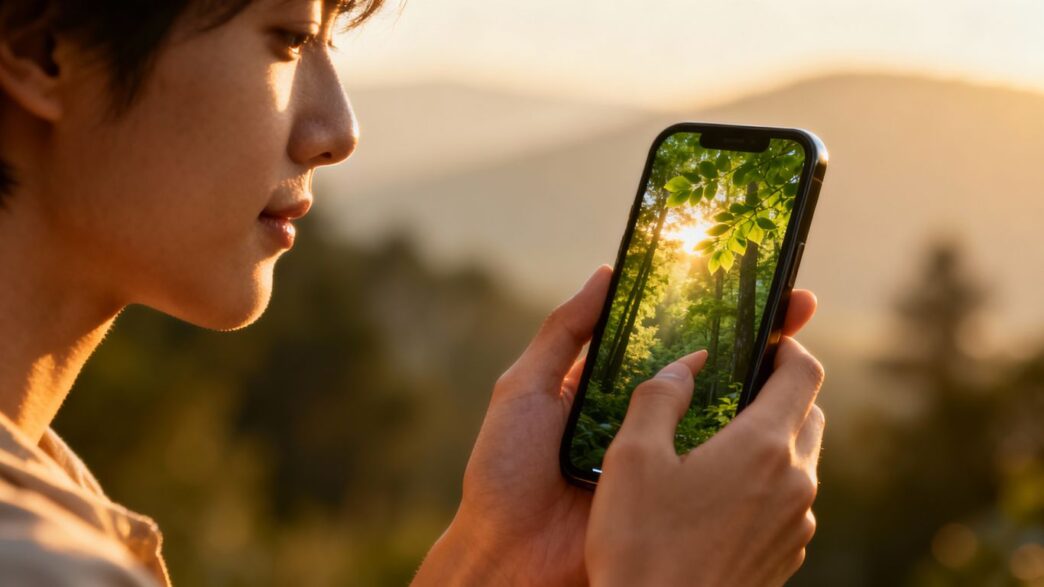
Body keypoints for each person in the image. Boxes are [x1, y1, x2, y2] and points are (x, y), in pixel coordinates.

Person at [0, 1, 826, 585]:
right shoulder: (40, 562)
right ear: (44, 51)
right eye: (287, 38)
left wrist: (502, 556)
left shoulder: (50, 495)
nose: (338, 129)